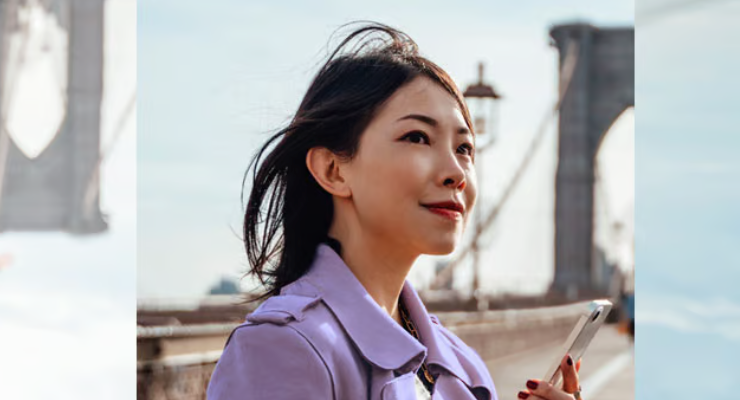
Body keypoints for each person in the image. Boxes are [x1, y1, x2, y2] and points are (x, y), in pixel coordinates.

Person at [207, 22, 583, 400]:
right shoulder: (281, 350)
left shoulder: (462, 364)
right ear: (332, 170)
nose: (456, 172)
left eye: (464, 148)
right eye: (417, 137)